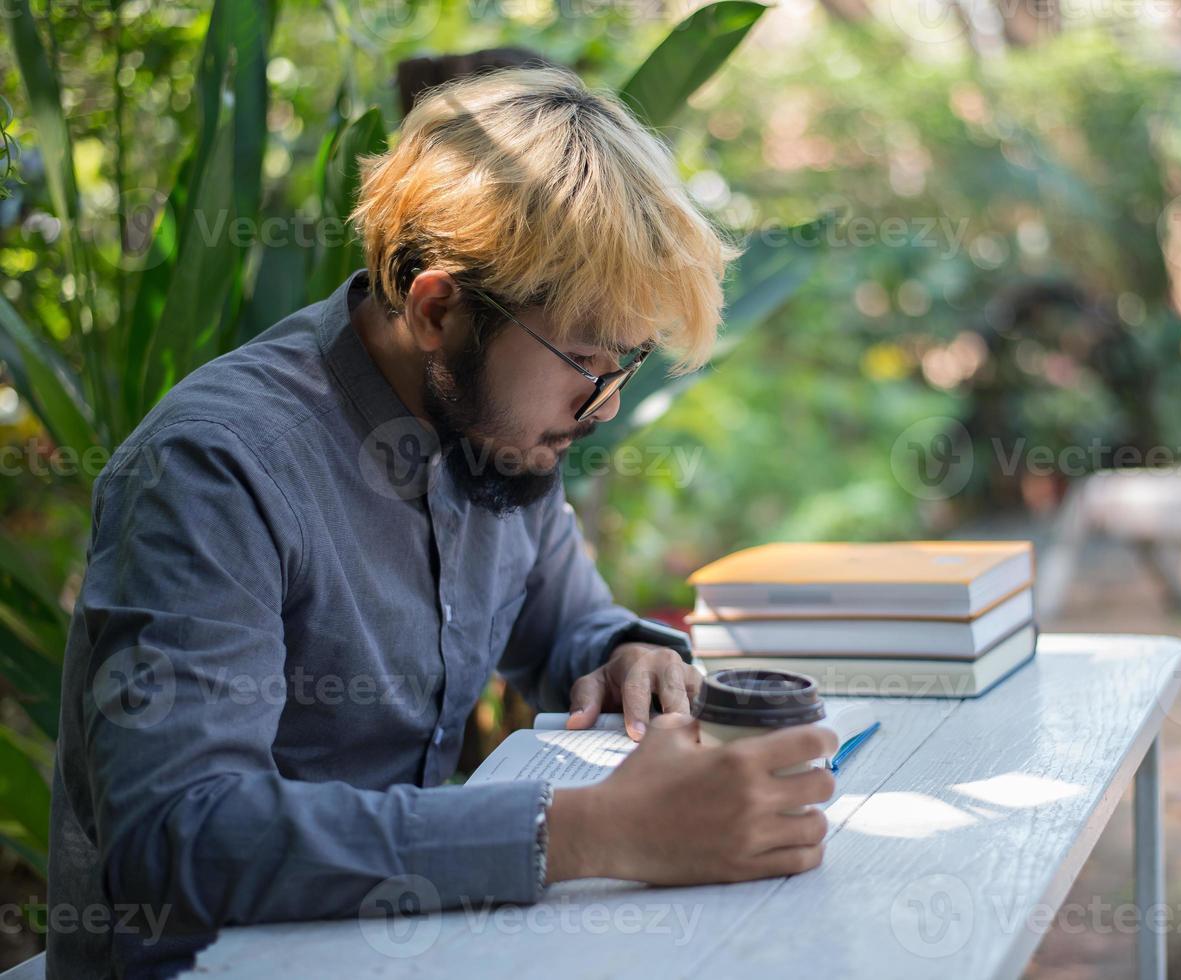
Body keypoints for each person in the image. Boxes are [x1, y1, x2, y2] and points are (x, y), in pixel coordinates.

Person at [46, 67, 836, 979]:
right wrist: (587, 832)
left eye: (625, 362)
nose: (607, 405)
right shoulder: (216, 467)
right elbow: (180, 833)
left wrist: (627, 653)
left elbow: (563, 626)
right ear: (436, 309)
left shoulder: (496, 425)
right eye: (585, 359)